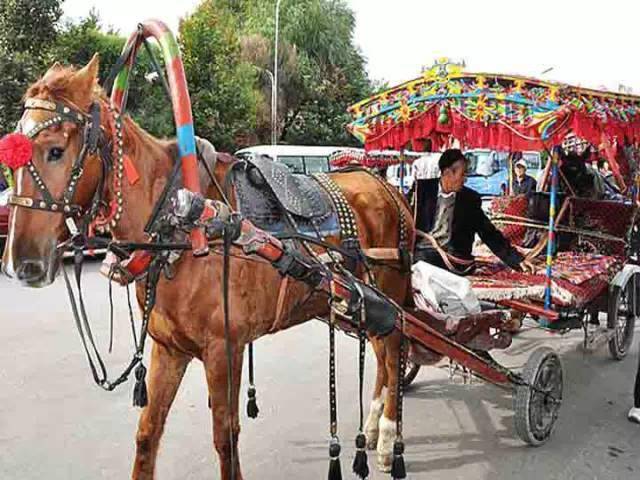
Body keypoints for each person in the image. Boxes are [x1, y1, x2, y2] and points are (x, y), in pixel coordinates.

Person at [413, 148, 534, 274]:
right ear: (448, 173)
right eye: (462, 174)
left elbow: (489, 233)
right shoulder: (421, 191)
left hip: (453, 259)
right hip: (421, 253)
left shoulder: (470, 200)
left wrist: (516, 259)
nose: (465, 179)